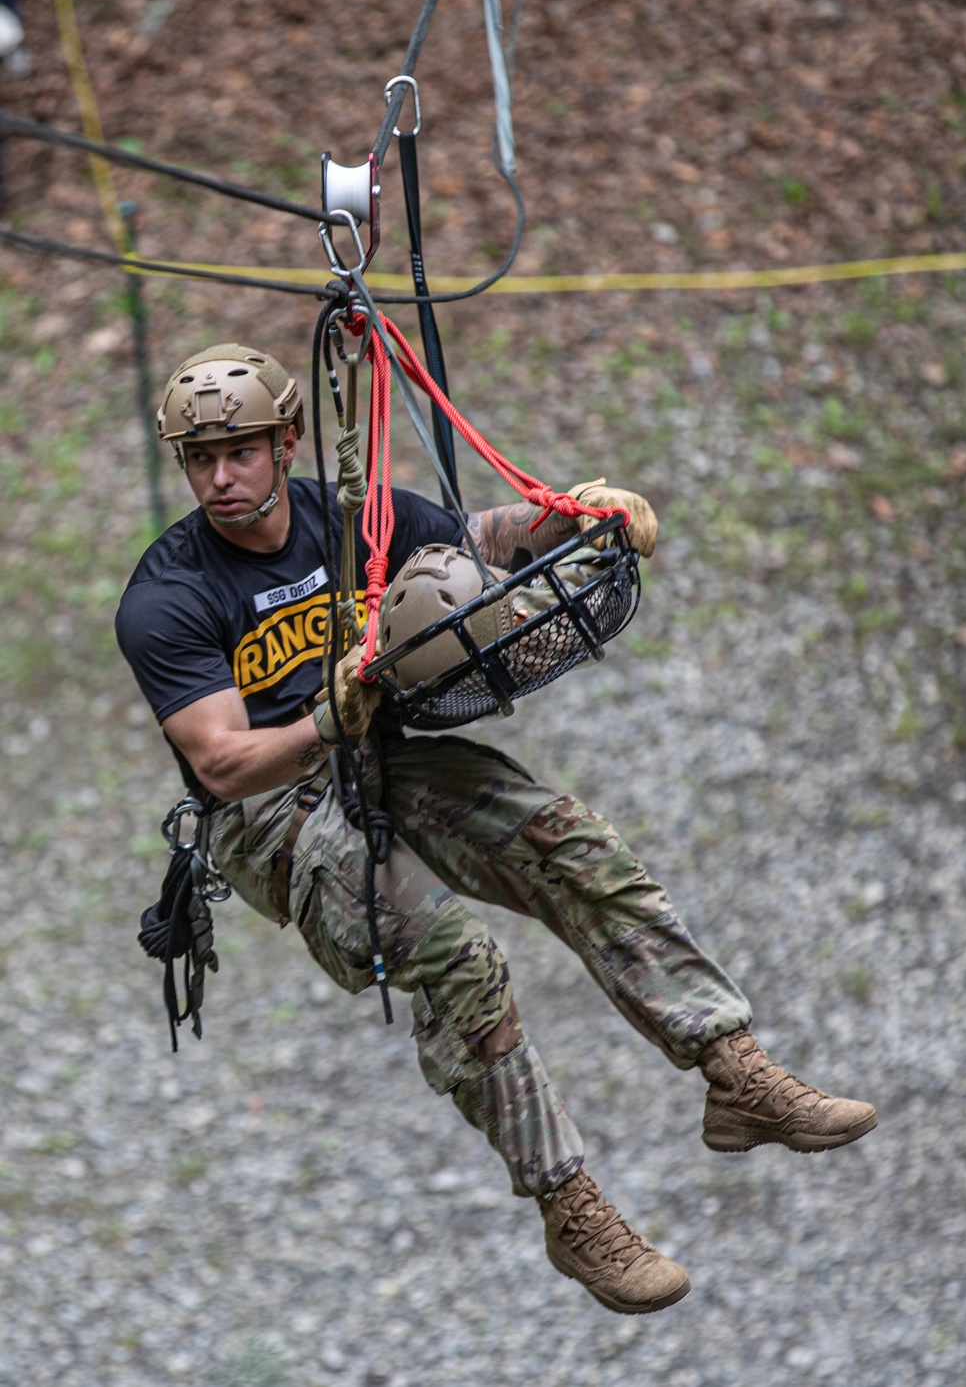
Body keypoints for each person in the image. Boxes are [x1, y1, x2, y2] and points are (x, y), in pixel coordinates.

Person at [116, 343, 877, 1316]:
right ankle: (574, 1211)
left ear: (288, 440)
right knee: (453, 953)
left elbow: (474, 537)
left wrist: (567, 518)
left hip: (386, 750)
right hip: (270, 817)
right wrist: (323, 722)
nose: (221, 477)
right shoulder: (168, 594)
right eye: (200, 459)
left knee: (567, 842)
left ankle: (735, 1072)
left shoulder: (343, 516)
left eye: (241, 450)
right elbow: (221, 761)